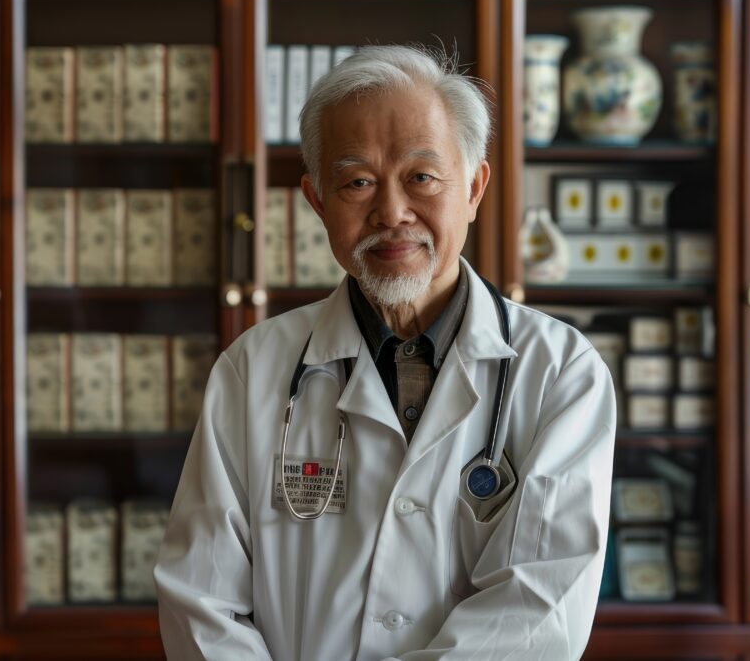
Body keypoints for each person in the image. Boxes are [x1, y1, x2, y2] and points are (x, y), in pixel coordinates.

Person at [154, 44, 616, 660]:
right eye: (357, 182)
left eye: (421, 177)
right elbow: (201, 602)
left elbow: (538, 611)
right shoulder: (253, 369)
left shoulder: (561, 372)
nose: (391, 212)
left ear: (474, 188)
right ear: (318, 201)